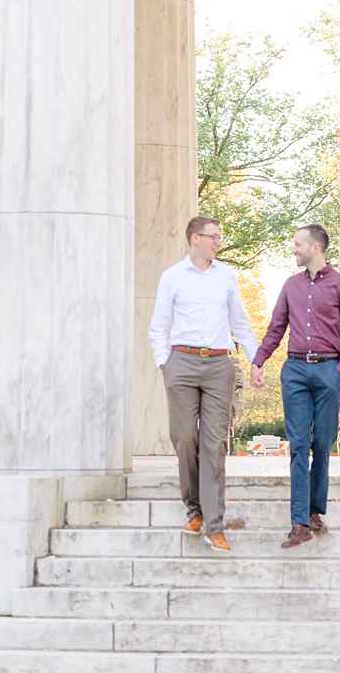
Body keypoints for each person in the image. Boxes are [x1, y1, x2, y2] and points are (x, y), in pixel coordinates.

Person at [149, 215, 259, 551]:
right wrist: (164, 362)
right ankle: (194, 510)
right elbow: (158, 326)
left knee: (214, 445)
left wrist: (257, 359)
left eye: (220, 237)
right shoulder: (172, 277)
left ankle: (214, 525)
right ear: (195, 238)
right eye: (214, 237)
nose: (218, 242)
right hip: (180, 363)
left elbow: (238, 321)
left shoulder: (226, 276)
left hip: (218, 365)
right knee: (184, 439)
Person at [252, 222, 340, 548]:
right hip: (296, 371)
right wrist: (259, 360)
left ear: (315, 247)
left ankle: (315, 511)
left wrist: (339, 372)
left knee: (321, 446)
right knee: (299, 446)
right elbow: (275, 327)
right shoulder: (290, 285)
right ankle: (299, 523)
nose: (293, 249)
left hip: (328, 370)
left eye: (298, 244)